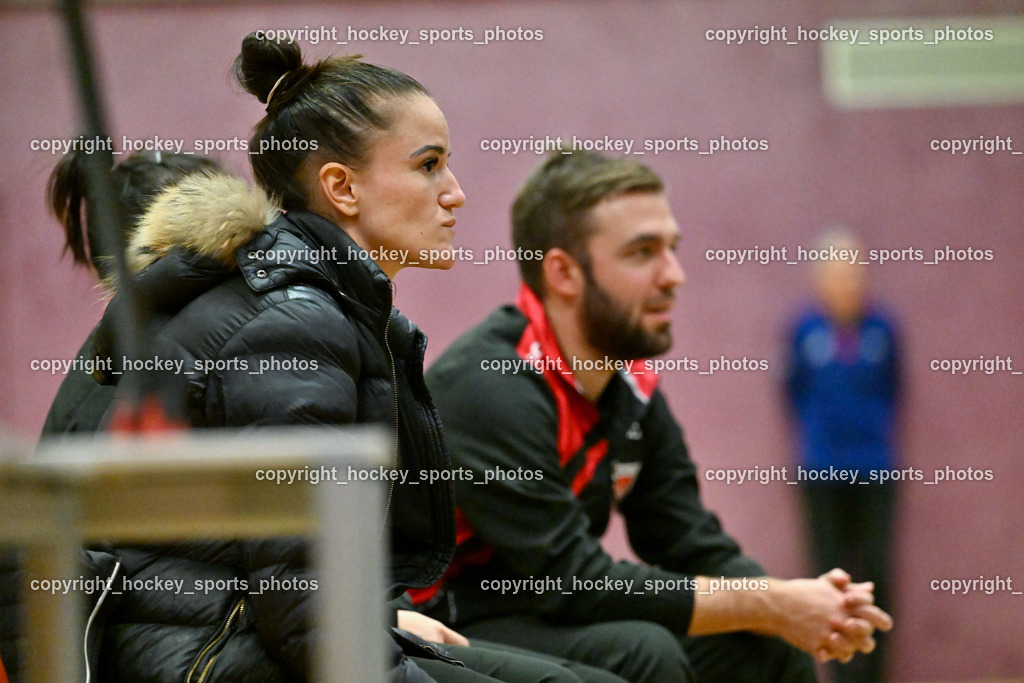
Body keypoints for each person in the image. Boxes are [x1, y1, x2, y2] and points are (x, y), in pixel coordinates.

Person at [83, 33, 612, 683]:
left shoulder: (328, 307)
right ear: (341, 187)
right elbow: (306, 613)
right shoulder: (293, 324)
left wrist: (386, 619)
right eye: (429, 165)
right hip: (206, 653)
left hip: (242, 630)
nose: (455, 193)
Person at [410, 150, 893, 682]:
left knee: (766, 648)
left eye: (672, 249)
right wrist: (771, 603)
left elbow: (689, 541)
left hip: (543, 610)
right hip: (446, 620)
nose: (674, 276)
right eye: (643, 253)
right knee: (647, 652)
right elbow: (574, 581)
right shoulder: (489, 386)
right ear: (564, 272)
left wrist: (794, 606)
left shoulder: (628, 389)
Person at [784, 227, 901, 682]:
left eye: (853, 272)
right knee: (829, 576)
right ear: (819, 280)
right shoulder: (803, 331)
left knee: (876, 572)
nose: (845, 282)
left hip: (874, 469)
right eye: (836, 273)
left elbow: (895, 388)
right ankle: (839, 676)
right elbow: (792, 392)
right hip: (821, 470)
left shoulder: (883, 330)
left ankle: (875, 675)